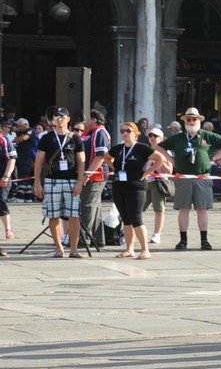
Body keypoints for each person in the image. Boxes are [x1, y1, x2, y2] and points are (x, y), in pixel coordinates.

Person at [161, 108, 221, 251]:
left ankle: (204, 240)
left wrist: (213, 158)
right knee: (183, 209)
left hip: (202, 177)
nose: (192, 121)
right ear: (185, 122)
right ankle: (183, 240)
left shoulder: (207, 135)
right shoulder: (179, 137)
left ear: (200, 121)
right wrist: (171, 160)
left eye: (194, 119)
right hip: (183, 177)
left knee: (202, 209)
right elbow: (159, 147)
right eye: (188, 119)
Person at [106, 122, 167, 259]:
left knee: (136, 218)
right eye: (122, 131)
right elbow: (106, 157)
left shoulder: (142, 148)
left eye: (128, 130)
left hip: (136, 186)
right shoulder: (118, 148)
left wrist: (148, 172)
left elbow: (161, 159)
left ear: (135, 133)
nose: (125, 133)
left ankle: (145, 250)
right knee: (125, 218)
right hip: (119, 185)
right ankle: (129, 249)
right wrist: (114, 168)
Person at [34, 107, 86, 258]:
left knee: (74, 215)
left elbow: (81, 161)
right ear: (52, 120)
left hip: (71, 180)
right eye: (56, 117)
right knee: (53, 215)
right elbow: (38, 161)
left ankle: (74, 249)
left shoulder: (75, 138)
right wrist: (37, 182)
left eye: (62, 116)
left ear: (68, 119)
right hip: (52, 180)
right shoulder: (47, 138)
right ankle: (59, 248)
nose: (59, 119)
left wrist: (80, 181)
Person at [79, 110, 112, 248]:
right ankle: (99, 239)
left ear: (94, 120)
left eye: (87, 119)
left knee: (87, 206)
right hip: (92, 174)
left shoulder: (100, 133)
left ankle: (83, 239)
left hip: (96, 175)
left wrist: (87, 175)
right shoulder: (90, 133)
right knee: (95, 208)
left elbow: (100, 156)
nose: (85, 122)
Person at [141, 125, 171, 244]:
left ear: (162, 138)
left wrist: (161, 161)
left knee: (158, 209)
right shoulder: (147, 150)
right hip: (146, 181)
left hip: (159, 182)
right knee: (139, 208)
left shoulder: (165, 151)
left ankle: (157, 234)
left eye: (155, 136)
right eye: (150, 135)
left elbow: (169, 170)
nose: (152, 138)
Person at [0, 120, 14, 250]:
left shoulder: (4, 141)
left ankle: (8, 229)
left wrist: (6, 176)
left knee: (1, 201)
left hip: (3, 178)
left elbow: (12, 160)